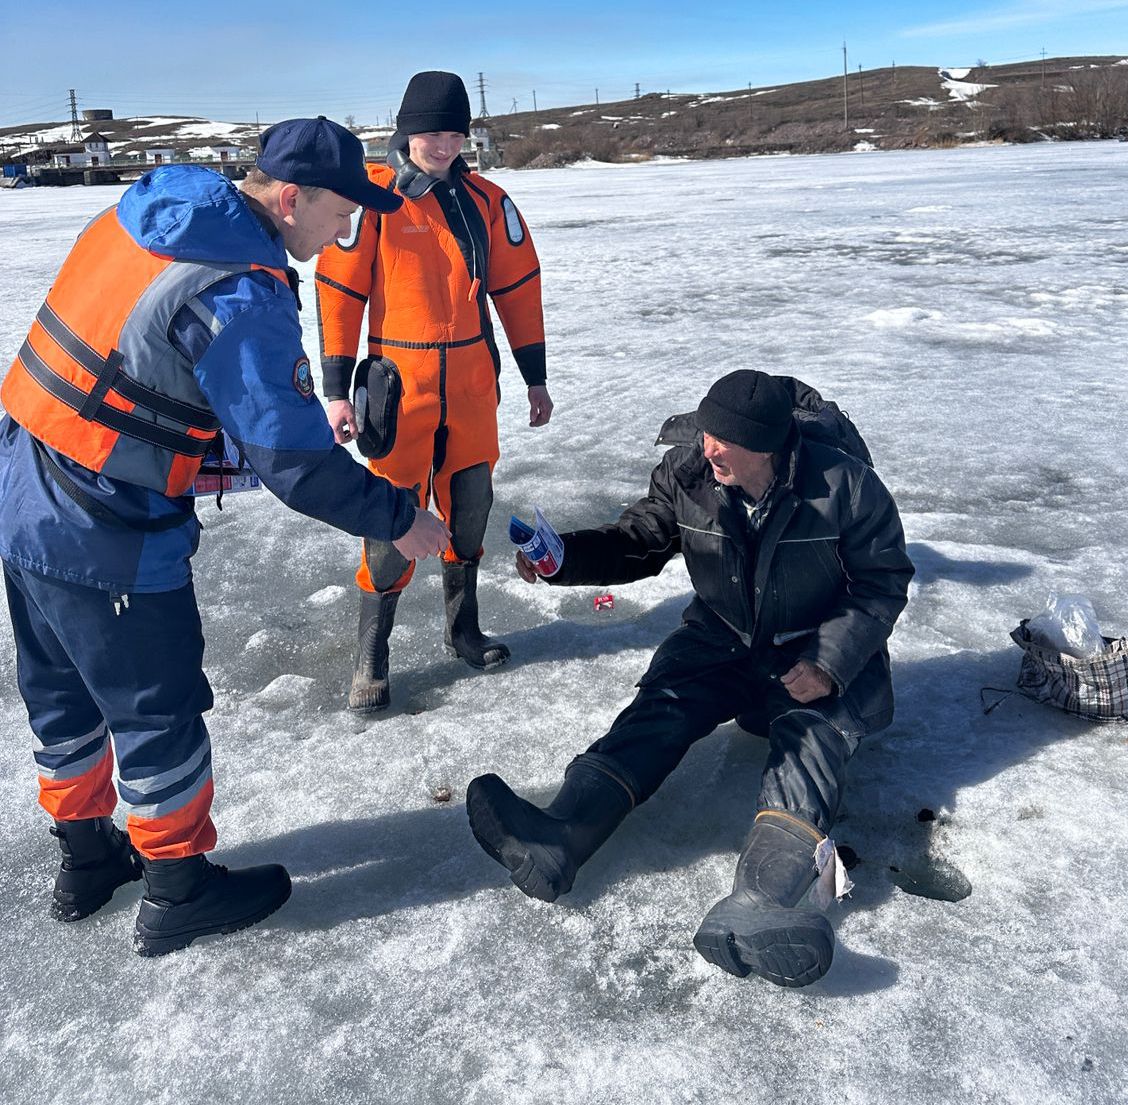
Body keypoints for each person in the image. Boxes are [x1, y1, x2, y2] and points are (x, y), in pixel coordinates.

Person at [0, 116, 450, 956]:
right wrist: (402, 518)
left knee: (62, 692)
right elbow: (297, 464)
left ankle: (85, 858)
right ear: (292, 198)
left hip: (22, 481)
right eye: (340, 212)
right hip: (104, 521)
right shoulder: (239, 289)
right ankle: (177, 887)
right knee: (155, 706)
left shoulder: (153, 211)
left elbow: (135, 362)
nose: (345, 232)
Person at [466, 370, 914, 988]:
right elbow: (637, 540)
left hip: (815, 648)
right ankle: (559, 836)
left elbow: (881, 582)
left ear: (768, 447)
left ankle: (764, 901)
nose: (708, 449)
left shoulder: (844, 485)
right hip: (723, 637)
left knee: (808, 749)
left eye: (724, 441)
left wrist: (830, 663)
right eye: (705, 434)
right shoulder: (689, 473)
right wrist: (563, 558)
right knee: (660, 709)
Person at [315, 71, 552, 714]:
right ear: (405, 132)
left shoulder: (489, 201)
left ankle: (463, 629)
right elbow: (340, 293)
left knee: (470, 507)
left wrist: (534, 376)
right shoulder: (372, 198)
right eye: (430, 134)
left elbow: (519, 289)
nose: (443, 146)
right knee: (390, 519)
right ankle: (372, 654)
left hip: (472, 386)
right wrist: (336, 390)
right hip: (399, 388)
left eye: (454, 134)